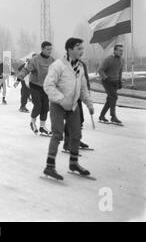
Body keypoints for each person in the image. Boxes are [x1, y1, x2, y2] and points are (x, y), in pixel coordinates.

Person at [43, 38, 94, 180]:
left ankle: (73, 163)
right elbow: (48, 86)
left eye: (82, 48)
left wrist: (89, 104)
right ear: (69, 49)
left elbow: (83, 88)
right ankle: (49, 166)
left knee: (76, 135)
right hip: (58, 105)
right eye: (78, 48)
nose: (81, 51)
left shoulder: (80, 67)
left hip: (73, 105)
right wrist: (61, 99)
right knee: (57, 134)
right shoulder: (58, 65)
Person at [14, 42, 54, 136]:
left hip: (46, 86)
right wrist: (18, 79)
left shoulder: (52, 60)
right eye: (48, 49)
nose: (49, 51)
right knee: (38, 105)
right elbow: (26, 70)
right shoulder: (35, 60)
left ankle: (42, 127)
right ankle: (32, 122)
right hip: (35, 85)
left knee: (45, 107)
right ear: (42, 49)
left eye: (50, 49)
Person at [63, 59, 91, 151]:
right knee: (70, 120)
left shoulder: (82, 64)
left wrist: (87, 90)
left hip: (78, 95)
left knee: (80, 119)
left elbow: (85, 78)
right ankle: (67, 144)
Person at [98, 44, 124, 125]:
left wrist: (120, 82)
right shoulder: (108, 59)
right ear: (115, 51)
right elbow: (100, 70)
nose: (121, 52)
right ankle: (113, 117)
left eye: (122, 50)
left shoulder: (121, 60)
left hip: (115, 82)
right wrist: (107, 78)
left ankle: (102, 116)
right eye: (120, 50)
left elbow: (119, 72)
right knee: (114, 97)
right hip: (107, 82)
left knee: (110, 99)